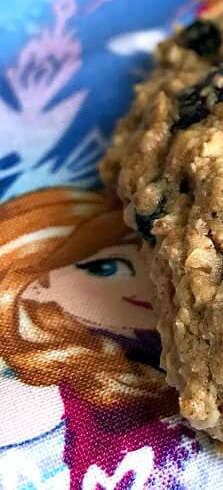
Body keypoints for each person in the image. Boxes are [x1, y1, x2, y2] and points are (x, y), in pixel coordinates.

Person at [0, 187, 192, 489]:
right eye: (105, 268)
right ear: (33, 289)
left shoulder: (167, 357)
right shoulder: (42, 398)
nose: (143, 282)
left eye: (148, 257)